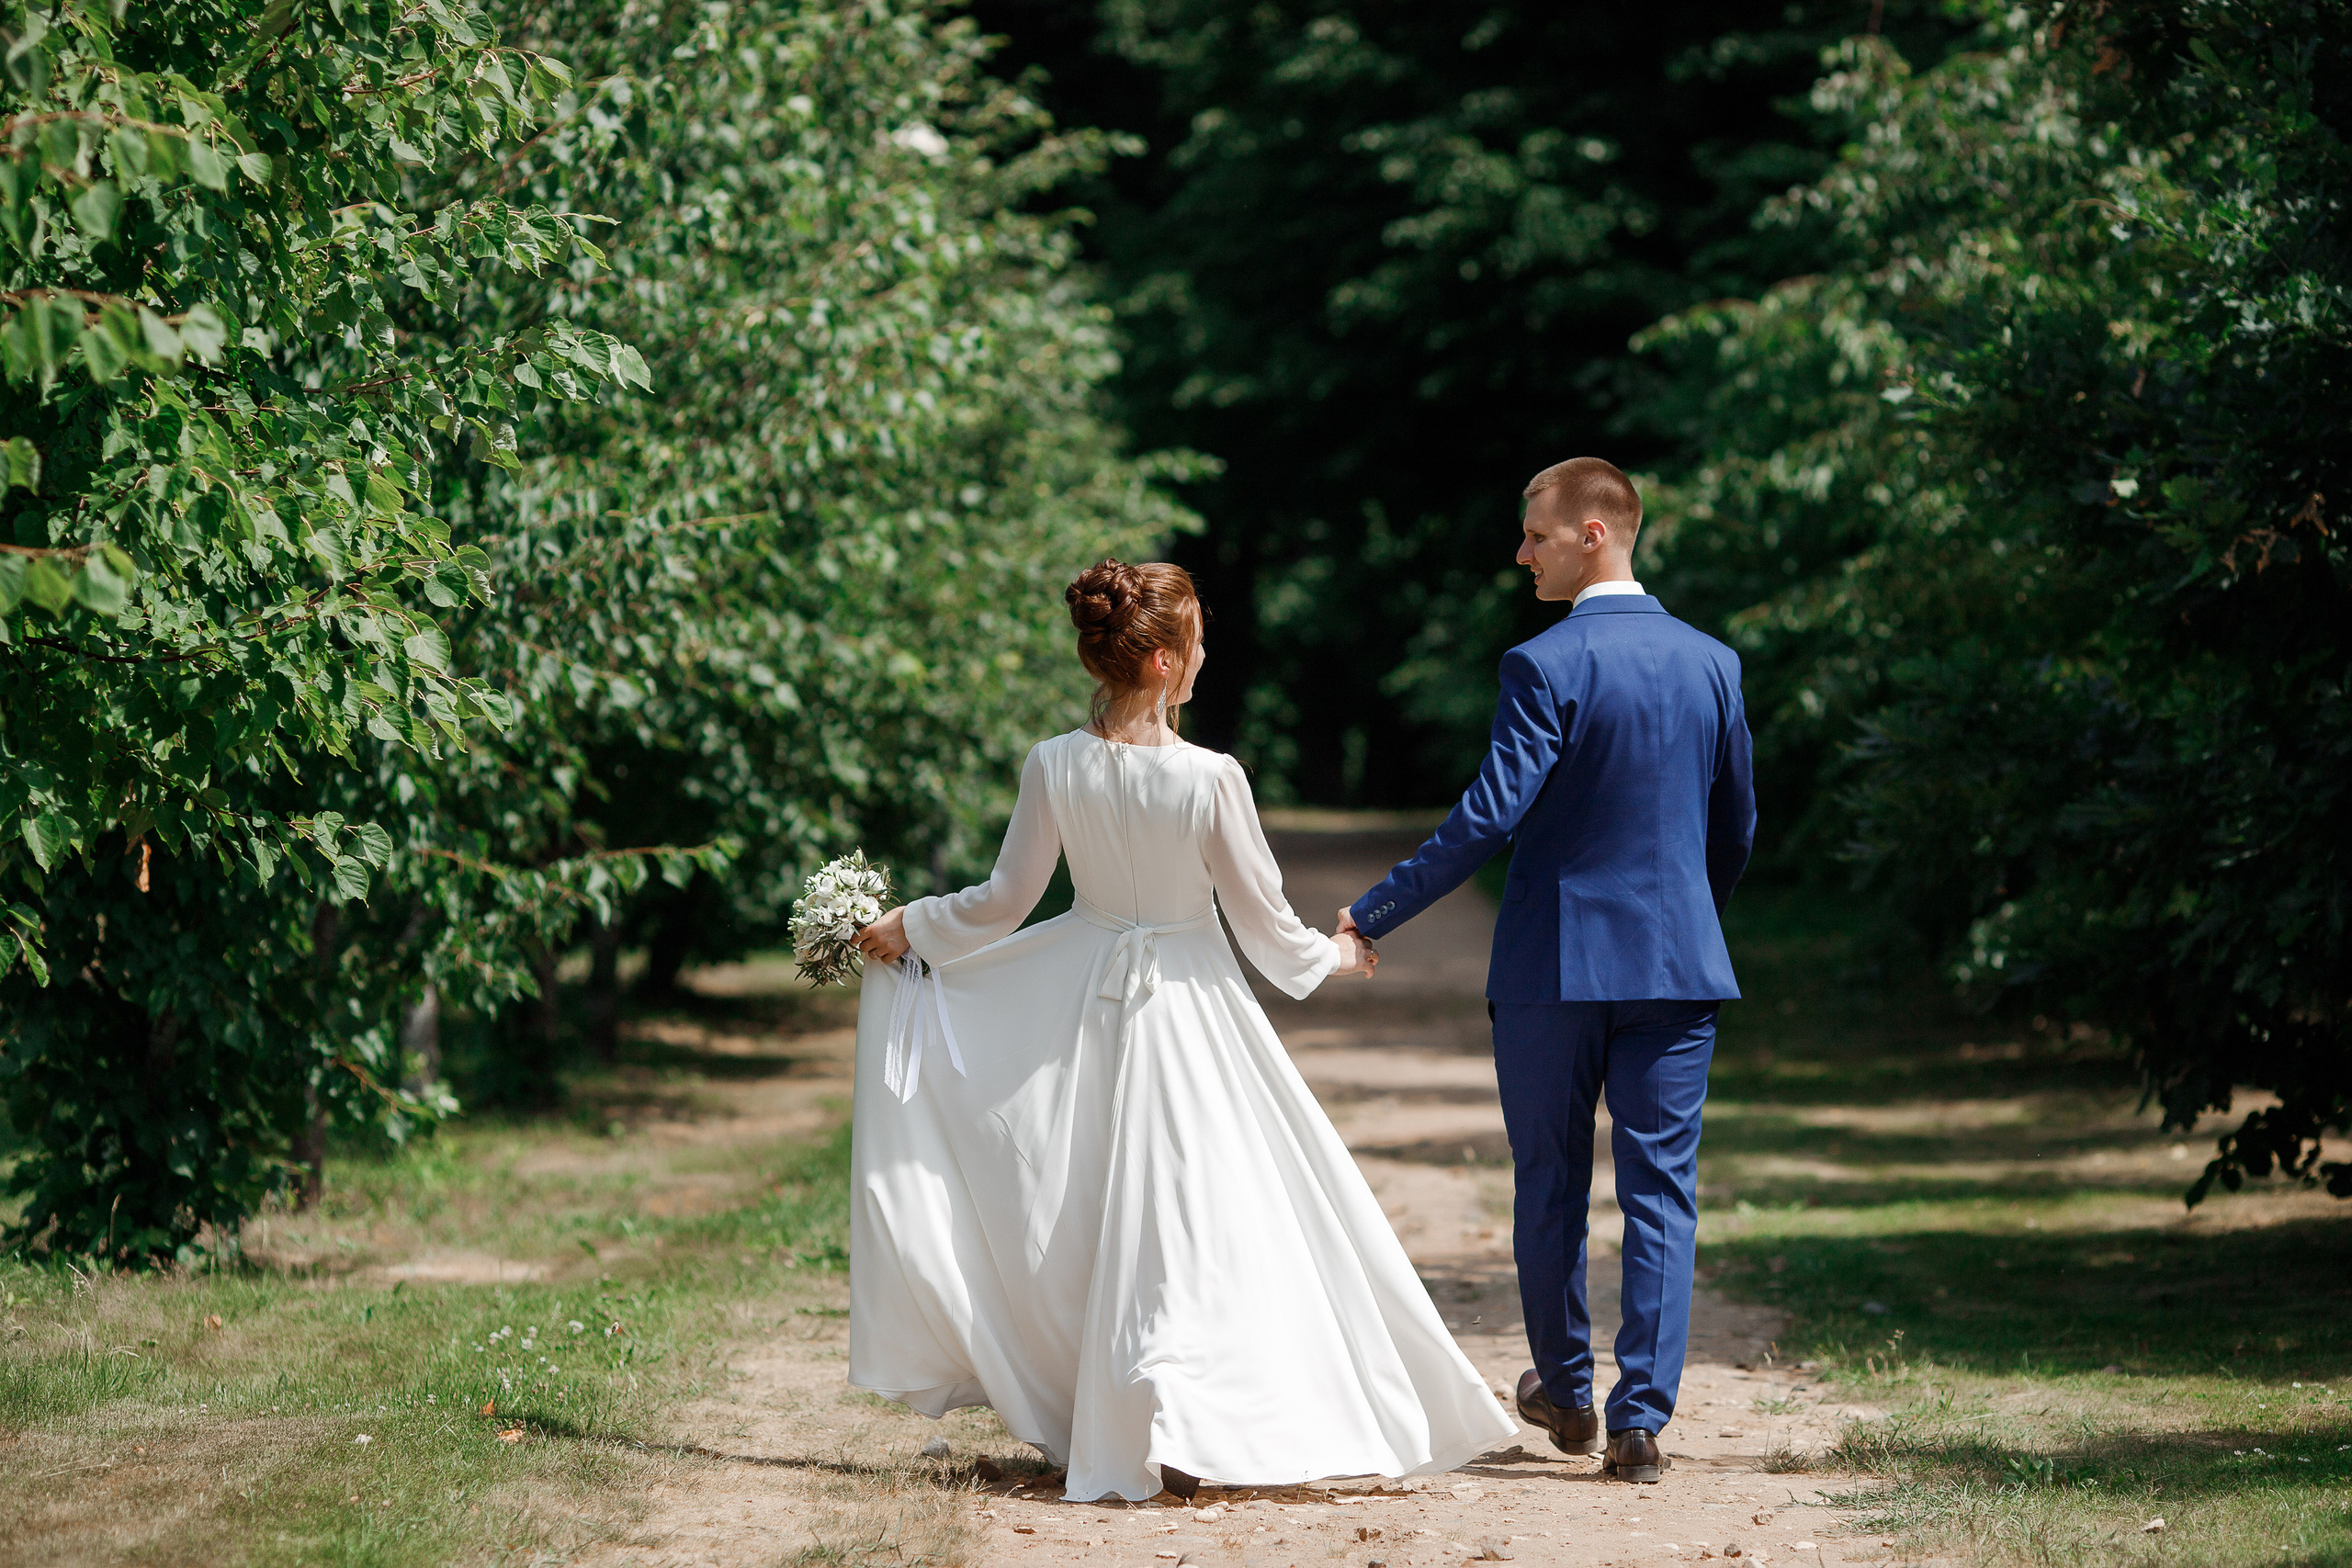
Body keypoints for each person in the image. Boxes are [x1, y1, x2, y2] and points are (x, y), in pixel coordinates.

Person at [846, 560, 1517, 1503]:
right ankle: (1188, 1411)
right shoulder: (1211, 779)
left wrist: (912, 923)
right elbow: (1263, 919)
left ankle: (1132, 1409)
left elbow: (1004, 903)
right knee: (1201, 1208)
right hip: (1193, 1005)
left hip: (1085, 999)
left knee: (1092, 1207)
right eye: (1197, 641)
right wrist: (1336, 955)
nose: (1207, 656)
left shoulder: (1053, 762)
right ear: (1162, 661)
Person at [1340, 458, 1755, 1485]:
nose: (1519, 552)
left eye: (1534, 533)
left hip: (1552, 966)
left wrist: (1373, 913)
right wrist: (1690, 919)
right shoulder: (1714, 662)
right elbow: (1734, 824)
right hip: (1676, 968)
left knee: (1552, 1183)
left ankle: (1566, 1395)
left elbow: (1488, 815)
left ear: (1593, 535)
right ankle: (1640, 1423)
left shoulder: (1542, 663)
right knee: (1662, 1192)